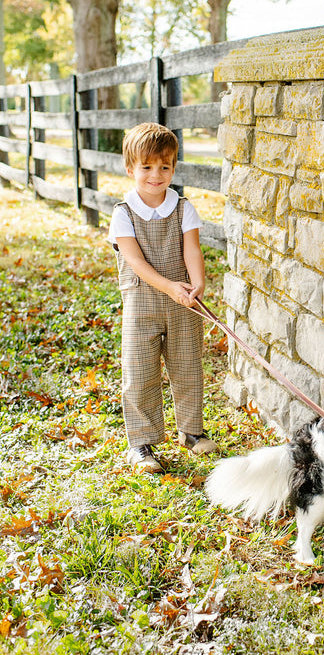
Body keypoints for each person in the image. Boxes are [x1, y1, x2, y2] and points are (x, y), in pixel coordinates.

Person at [108, 122, 218, 473]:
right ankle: (141, 443)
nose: (156, 175)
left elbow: (192, 249)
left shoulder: (184, 208)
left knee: (187, 367)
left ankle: (191, 432)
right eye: (147, 167)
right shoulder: (122, 213)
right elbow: (136, 262)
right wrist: (170, 286)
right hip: (143, 302)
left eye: (165, 166)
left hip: (184, 302)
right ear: (130, 169)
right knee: (140, 372)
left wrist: (196, 283)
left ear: (173, 167)